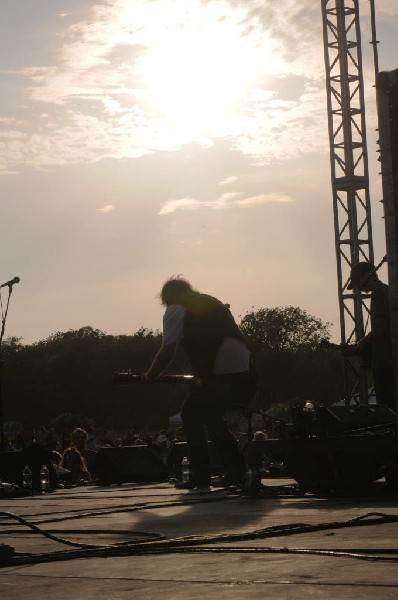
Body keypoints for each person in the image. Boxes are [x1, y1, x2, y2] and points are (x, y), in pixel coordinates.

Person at [142, 275, 256, 490]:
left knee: (190, 415)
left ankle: (199, 475)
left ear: (168, 297)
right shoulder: (213, 302)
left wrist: (150, 375)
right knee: (210, 416)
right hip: (243, 372)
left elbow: (167, 350)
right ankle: (236, 470)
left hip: (219, 371)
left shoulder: (176, 308)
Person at [346, 261, 395, 410]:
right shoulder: (386, 291)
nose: (360, 289)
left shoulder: (379, 293)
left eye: (358, 283)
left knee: (388, 411)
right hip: (388, 361)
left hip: (386, 363)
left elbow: (380, 328)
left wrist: (359, 345)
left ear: (365, 277)